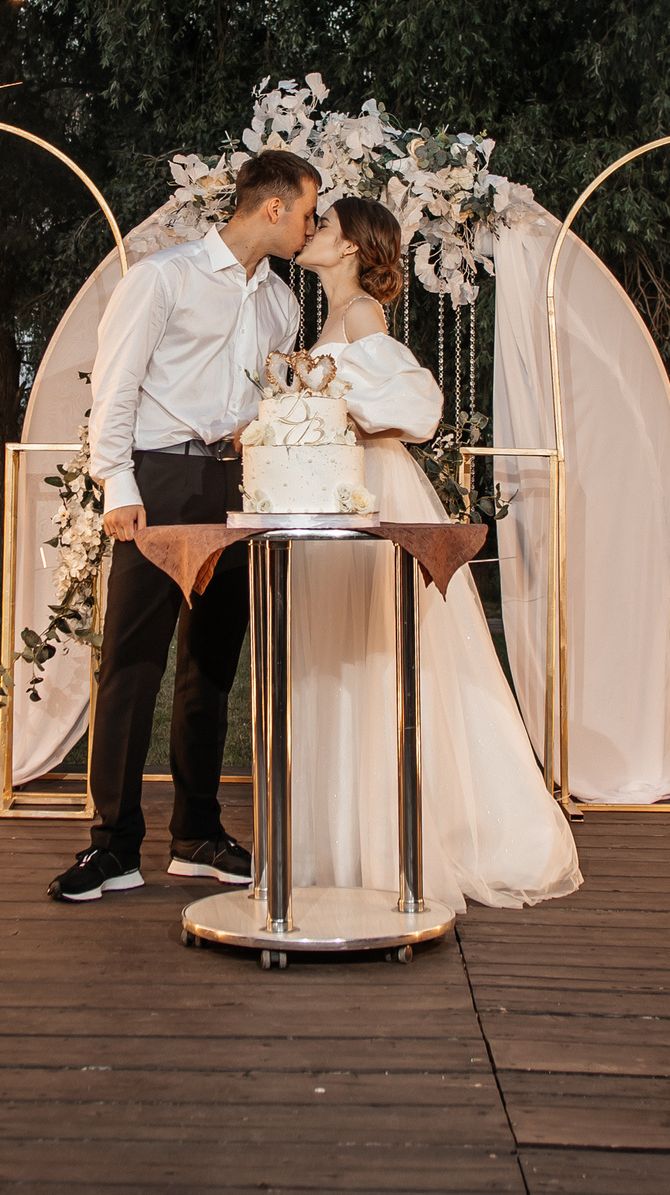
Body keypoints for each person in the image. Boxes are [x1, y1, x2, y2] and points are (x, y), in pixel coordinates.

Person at [285, 196, 581, 909]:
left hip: (375, 488)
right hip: (337, 488)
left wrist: (344, 406)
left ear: (352, 247)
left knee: (379, 655)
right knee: (344, 656)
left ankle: (395, 839)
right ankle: (353, 836)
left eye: (322, 224)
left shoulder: (359, 316)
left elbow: (421, 405)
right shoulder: (331, 317)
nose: (311, 231)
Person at [47, 148, 322, 902]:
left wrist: (257, 432)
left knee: (212, 663)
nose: (311, 225)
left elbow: (264, 396)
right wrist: (118, 485)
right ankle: (113, 844)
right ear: (273, 207)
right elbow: (117, 384)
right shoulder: (161, 278)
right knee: (132, 664)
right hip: (159, 480)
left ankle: (197, 833)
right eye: (306, 211)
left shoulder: (282, 305)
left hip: (234, 487)